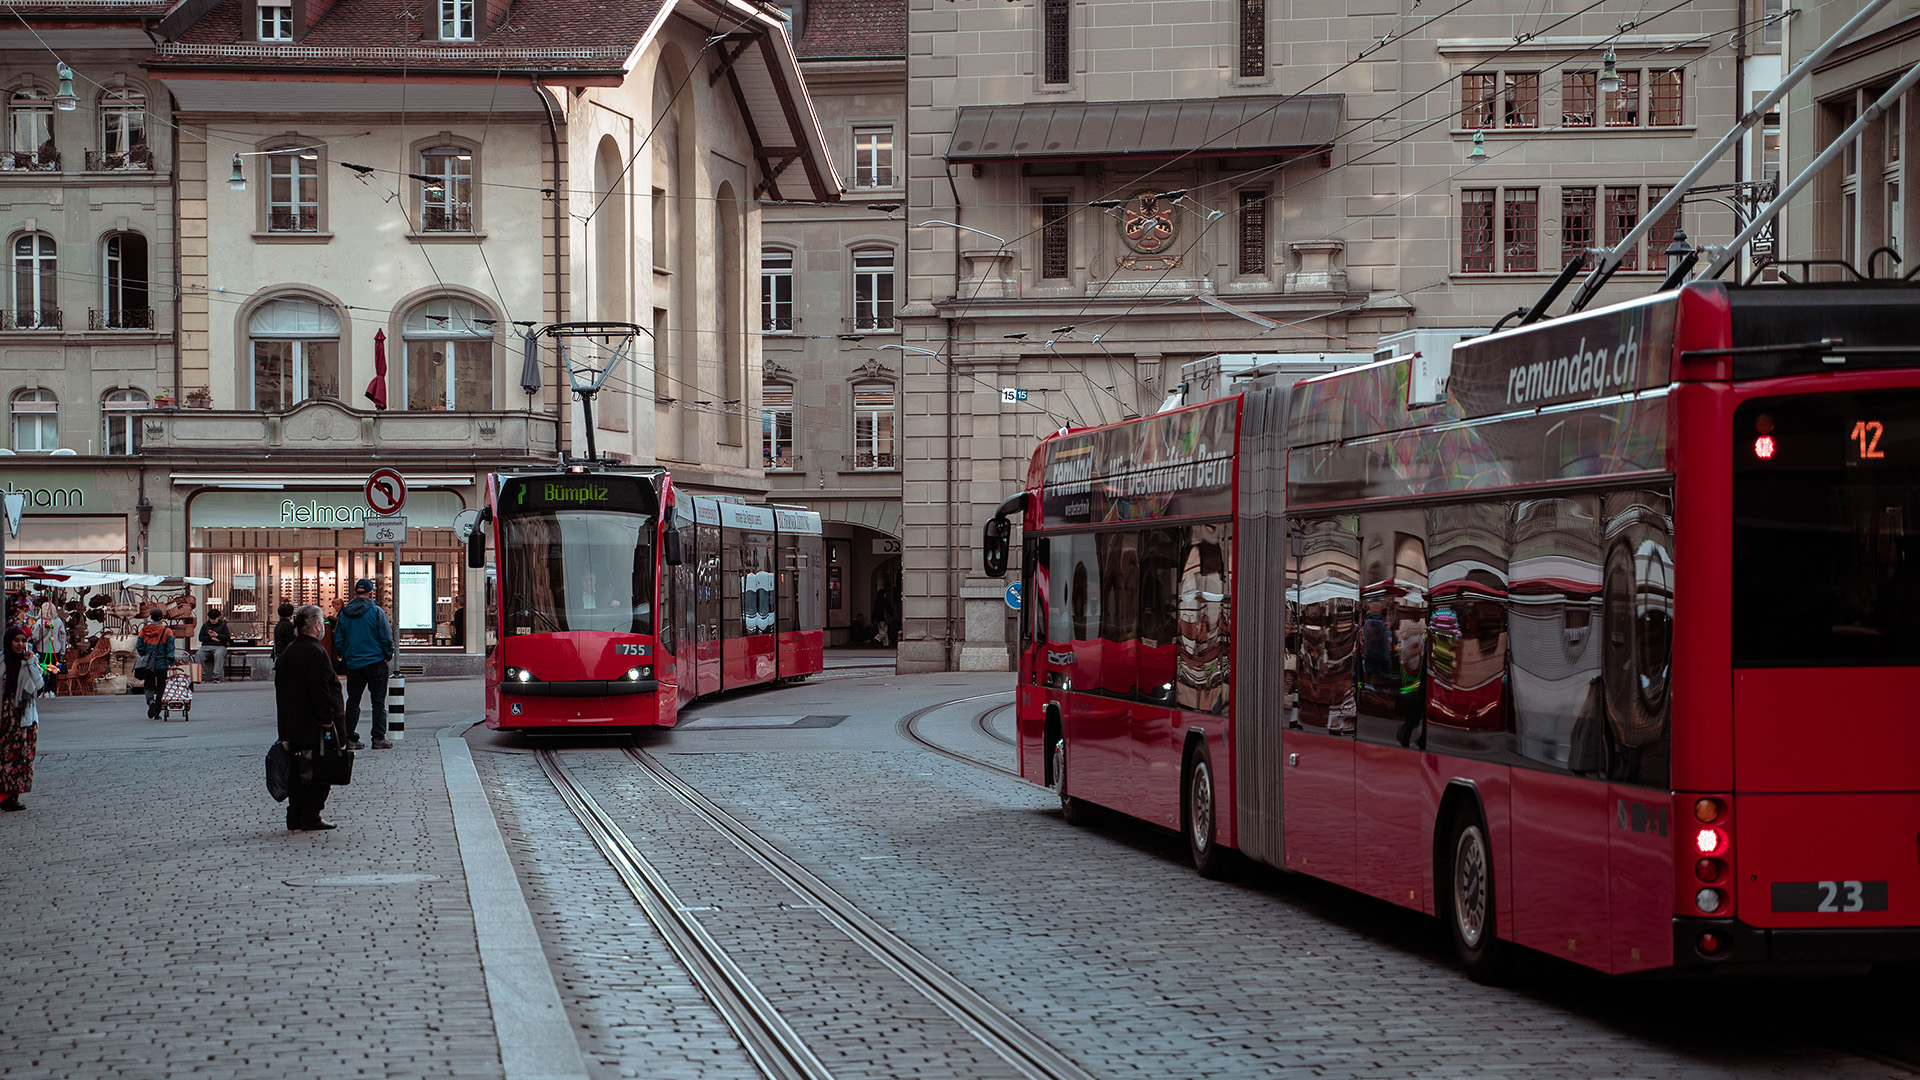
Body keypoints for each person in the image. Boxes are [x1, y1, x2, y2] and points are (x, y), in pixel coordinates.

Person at [277, 605, 343, 831]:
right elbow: (320, 689)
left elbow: (282, 689)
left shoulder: (290, 651)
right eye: (322, 621)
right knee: (320, 770)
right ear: (316, 625)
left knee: (297, 771)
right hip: (314, 723)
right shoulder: (316, 652)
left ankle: (295, 814)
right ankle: (311, 814)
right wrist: (328, 719)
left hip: (293, 722)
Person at [333, 578, 395, 751]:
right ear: (371, 593)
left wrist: (347, 655)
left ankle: (350, 738)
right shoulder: (376, 611)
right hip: (376, 662)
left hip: (354, 664)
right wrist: (386, 655)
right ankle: (378, 738)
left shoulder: (344, 614)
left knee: (353, 701)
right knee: (378, 702)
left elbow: (339, 638)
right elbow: (386, 636)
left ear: (354, 593)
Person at [0, 627, 45, 811]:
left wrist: (30, 663)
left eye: (23, 641)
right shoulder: (2, 662)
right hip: (5, 716)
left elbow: (37, 686)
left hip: (24, 716)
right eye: (16, 640)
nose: (20, 644)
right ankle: (4, 795)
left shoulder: (30, 662)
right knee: (4, 757)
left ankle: (13, 796)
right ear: (9, 642)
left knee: (21, 758)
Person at [136, 609, 176, 719]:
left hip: (148, 663)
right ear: (161, 618)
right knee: (161, 687)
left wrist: (145, 655)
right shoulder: (167, 631)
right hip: (161, 663)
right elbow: (170, 648)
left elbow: (139, 646)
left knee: (148, 685)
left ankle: (150, 701)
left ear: (151, 617)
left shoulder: (144, 630)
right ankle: (157, 711)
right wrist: (172, 662)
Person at [197, 608, 232, 682]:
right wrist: (211, 638)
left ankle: (217, 676)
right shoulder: (206, 625)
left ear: (218, 617)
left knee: (219, 654)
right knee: (199, 654)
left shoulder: (223, 625)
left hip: (220, 646)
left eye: (214, 619)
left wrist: (217, 635)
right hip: (206, 645)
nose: (212, 620)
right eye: (211, 619)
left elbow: (227, 637)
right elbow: (200, 638)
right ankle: (200, 676)